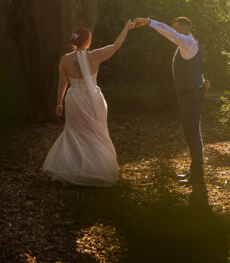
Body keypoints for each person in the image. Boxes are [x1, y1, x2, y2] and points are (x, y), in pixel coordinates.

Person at [42, 20, 136, 186]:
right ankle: (97, 169)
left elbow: (62, 83)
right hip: (92, 98)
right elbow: (116, 45)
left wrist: (59, 103)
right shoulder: (95, 55)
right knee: (95, 132)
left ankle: (74, 168)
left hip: (74, 99)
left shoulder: (64, 60)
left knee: (75, 133)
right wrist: (126, 28)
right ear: (87, 40)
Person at [133, 16, 208, 184]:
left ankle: (197, 174)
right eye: (174, 29)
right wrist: (202, 80)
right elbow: (194, 68)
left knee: (193, 133)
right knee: (191, 133)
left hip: (190, 95)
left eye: (177, 29)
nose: (175, 32)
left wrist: (150, 22)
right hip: (190, 93)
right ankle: (195, 171)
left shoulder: (187, 42)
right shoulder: (188, 45)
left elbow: (170, 34)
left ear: (185, 28)